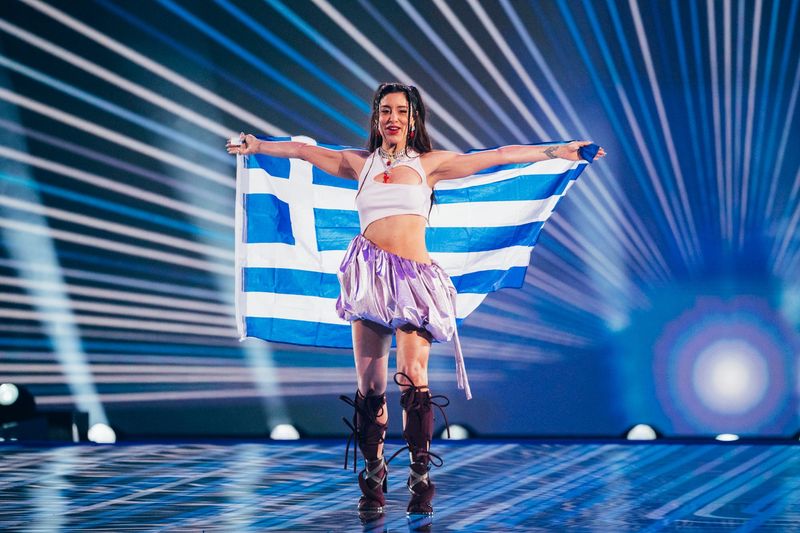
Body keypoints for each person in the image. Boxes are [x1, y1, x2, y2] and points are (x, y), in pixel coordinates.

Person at [227, 82, 605, 517]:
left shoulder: (430, 165)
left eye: (401, 112)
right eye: (385, 110)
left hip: (414, 280)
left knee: (411, 374)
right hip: (368, 275)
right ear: (376, 118)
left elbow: (498, 156)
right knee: (370, 388)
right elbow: (301, 152)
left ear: (412, 119)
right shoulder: (359, 164)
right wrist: (258, 145)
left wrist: (561, 151)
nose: (393, 118)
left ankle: (420, 475)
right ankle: (373, 475)